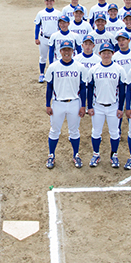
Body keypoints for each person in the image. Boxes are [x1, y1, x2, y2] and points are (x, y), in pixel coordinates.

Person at [44, 39, 89, 169]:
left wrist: (83, 106)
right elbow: (49, 87)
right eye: (64, 50)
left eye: (69, 50)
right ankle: (51, 155)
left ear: (73, 51)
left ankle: (76, 155)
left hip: (74, 102)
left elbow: (83, 87)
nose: (66, 52)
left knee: (74, 131)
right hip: (58, 103)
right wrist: (48, 104)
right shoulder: (53, 67)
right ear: (60, 51)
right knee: (54, 131)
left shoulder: (80, 67)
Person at [86, 43, 126, 168]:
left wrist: (120, 108)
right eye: (104, 52)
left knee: (114, 132)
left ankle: (114, 155)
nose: (106, 55)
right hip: (98, 105)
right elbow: (90, 89)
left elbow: (123, 90)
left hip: (113, 106)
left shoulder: (119, 69)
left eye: (109, 52)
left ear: (113, 54)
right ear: (100, 54)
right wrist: (90, 107)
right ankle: (96, 154)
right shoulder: (94, 69)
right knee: (96, 132)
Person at [34, 0, 60, 83]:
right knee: (43, 57)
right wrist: (36, 38)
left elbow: (61, 25)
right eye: (47, 1)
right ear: (45, 2)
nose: (49, 2)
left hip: (55, 37)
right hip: (44, 38)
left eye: (51, 1)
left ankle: (53, 73)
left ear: (53, 2)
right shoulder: (41, 13)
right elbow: (37, 25)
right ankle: (42, 74)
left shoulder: (58, 13)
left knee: (55, 57)